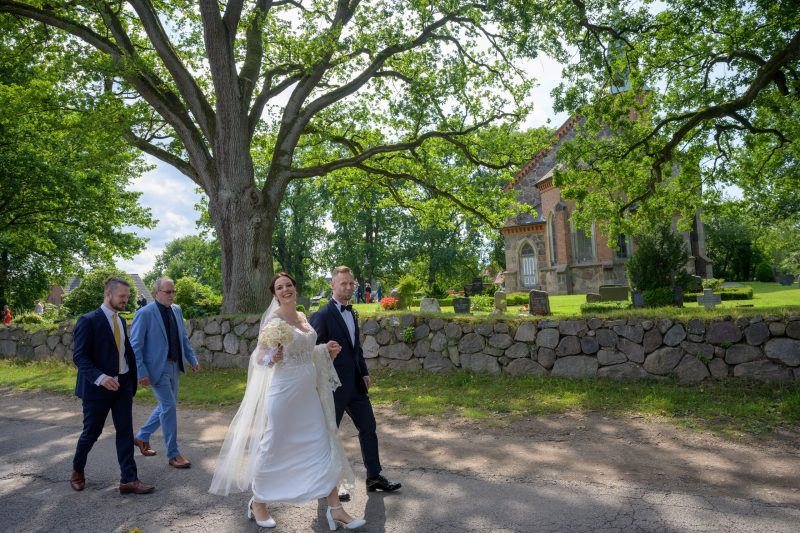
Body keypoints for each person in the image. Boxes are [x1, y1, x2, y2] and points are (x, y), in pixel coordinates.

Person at [210, 272, 366, 530]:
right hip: (284, 394)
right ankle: (258, 502)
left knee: (322, 446)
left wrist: (324, 351)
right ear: (275, 294)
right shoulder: (274, 320)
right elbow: (259, 358)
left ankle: (336, 509)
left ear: (295, 288)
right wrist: (272, 357)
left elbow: (305, 351)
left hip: (309, 395)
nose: (286, 290)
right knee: (274, 447)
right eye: (280, 287)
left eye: (289, 285)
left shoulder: (302, 316)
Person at [310, 266, 401, 502]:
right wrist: (326, 353)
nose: (349, 287)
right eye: (344, 283)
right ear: (333, 285)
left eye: (352, 284)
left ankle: (374, 477)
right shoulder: (322, 315)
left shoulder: (353, 313)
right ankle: (328, 485)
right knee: (329, 435)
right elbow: (312, 351)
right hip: (333, 387)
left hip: (356, 385)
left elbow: (355, 348)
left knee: (369, 427)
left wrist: (364, 372)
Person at [69, 276, 154, 495]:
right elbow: (80, 356)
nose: (126, 300)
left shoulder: (120, 321)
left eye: (127, 296)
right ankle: (77, 470)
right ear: (108, 295)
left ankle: (129, 479)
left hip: (123, 385)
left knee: (125, 432)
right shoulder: (88, 320)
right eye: (122, 296)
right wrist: (100, 377)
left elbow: (124, 352)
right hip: (98, 388)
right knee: (91, 432)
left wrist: (132, 376)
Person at [131, 277, 200, 469]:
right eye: (168, 292)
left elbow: (183, 338)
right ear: (157, 293)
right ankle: (173, 454)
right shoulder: (144, 313)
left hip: (174, 366)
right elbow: (135, 345)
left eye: (173, 291)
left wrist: (192, 359)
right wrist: (141, 372)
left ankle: (142, 436)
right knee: (168, 406)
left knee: (166, 405)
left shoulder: (176, 310)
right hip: (156, 369)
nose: (172, 295)